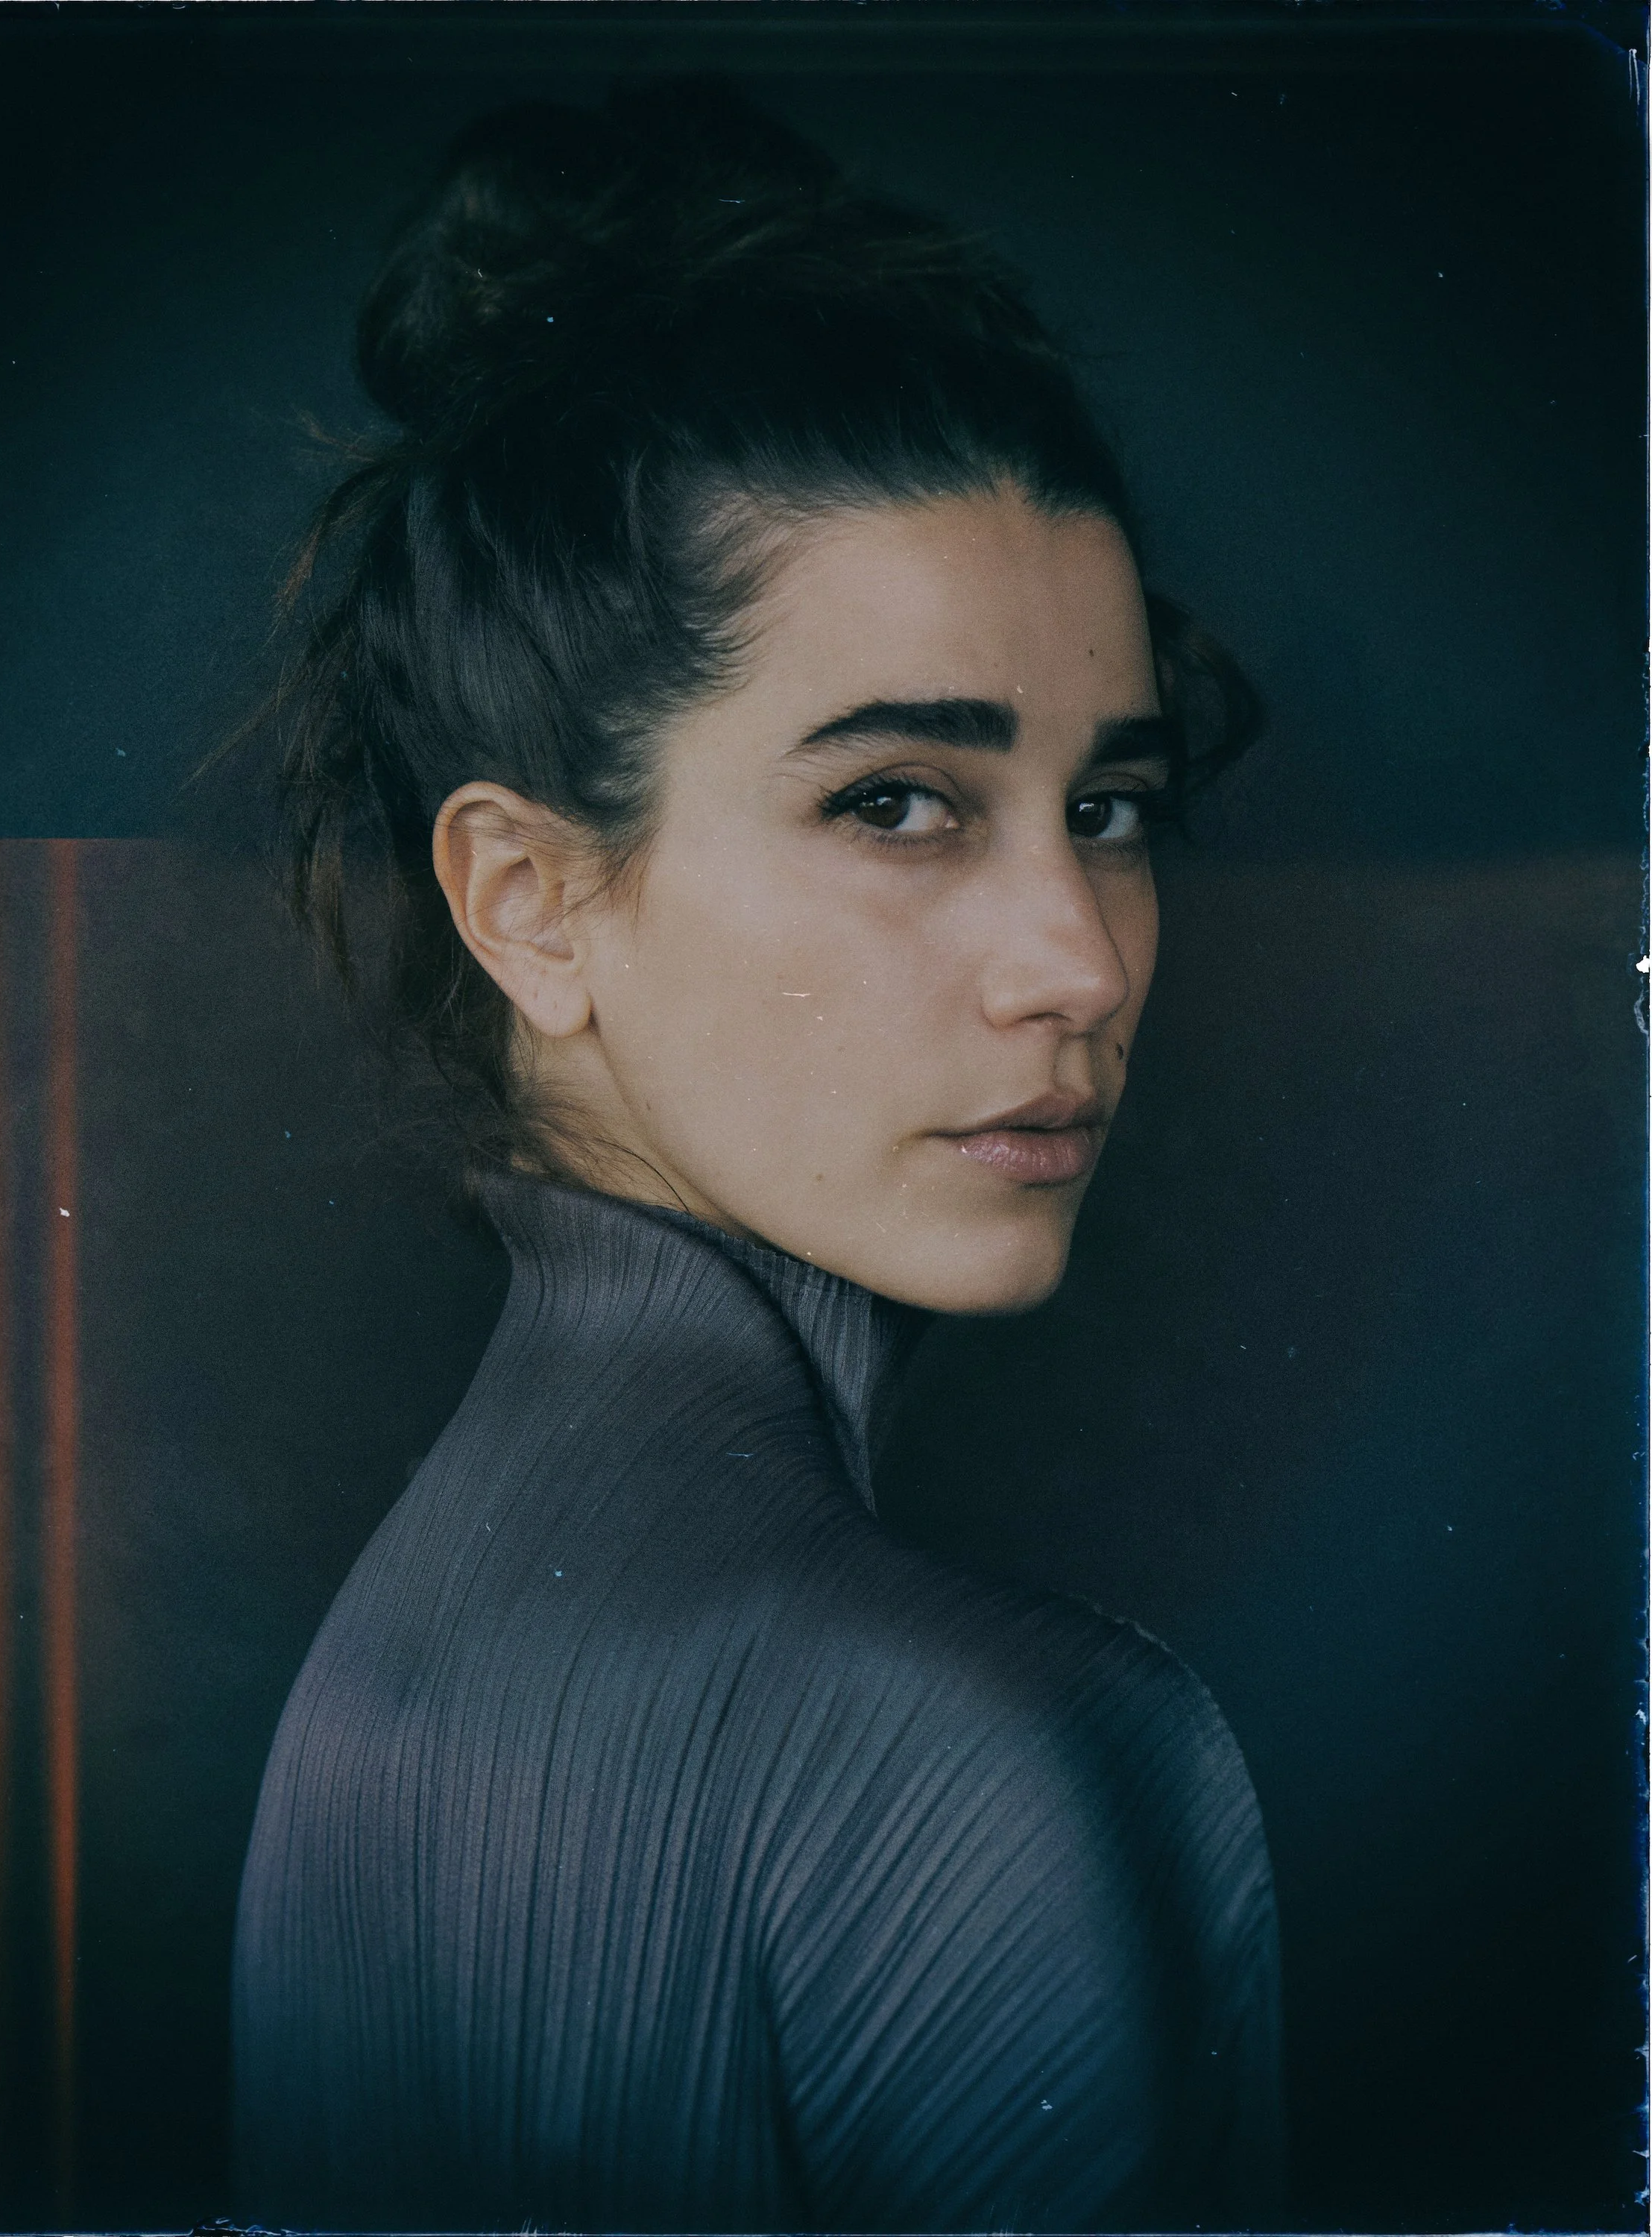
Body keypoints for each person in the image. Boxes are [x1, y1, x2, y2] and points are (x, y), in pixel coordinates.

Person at [232, 80, 1281, 2233]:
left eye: (1111, 804)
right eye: (898, 800)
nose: (1076, 958)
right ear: (529, 899)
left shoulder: (395, 1663)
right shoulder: (981, 1754)